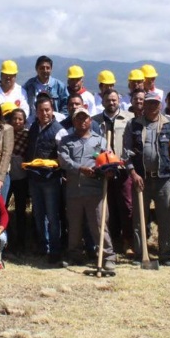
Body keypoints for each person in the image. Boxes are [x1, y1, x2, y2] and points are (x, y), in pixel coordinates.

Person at [124, 91, 170, 266]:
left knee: (165, 219)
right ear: (143, 105)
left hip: (164, 179)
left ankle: (165, 255)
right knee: (139, 219)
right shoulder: (133, 125)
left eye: (155, 103)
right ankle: (140, 255)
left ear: (160, 105)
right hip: (141, 179)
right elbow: (126, 153)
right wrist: (133, 173)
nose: (152, 106)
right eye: (149, 103)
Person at [59, 107, 115, 268]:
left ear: (90, 120)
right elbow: (64, 160)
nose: (82, 121)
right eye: (78, 118)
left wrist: (109, 170)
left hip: (95, 190)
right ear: (73, 121)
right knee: (74, 226)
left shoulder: (101, 141)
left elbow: (109, 161)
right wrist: (80, 168)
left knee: (99, 225)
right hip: (74, 190)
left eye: (84, 118)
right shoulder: (66, 141)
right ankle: (75, 255)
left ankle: (108, 257)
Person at [92, 89, 134, 252]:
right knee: (108, 206)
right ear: (102, 102)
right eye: (108, 100)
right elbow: (93, 146)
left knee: (126, 205)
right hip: (104, 169)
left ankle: (128, 239)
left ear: (119, 101)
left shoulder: (129, 118)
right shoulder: (95, 121)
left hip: (123, 168)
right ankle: (112, 241)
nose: (111, 103)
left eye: (114, 100)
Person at [25, 96, 65, 264]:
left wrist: (53, 164)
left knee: (53, 216)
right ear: (36, 112)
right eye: (41, 110)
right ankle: (43, 245)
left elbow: (63, 157)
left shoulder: (59, 130)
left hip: (51, 179)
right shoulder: (33, 127)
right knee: (38, 215)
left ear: (52, 110)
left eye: (47, 110)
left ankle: (55, 249)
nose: (44, 113)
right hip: (34, 178)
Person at [5, 106, 30, 255]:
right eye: (14, 118)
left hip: (21, 177)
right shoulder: (5, 134)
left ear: (24, 121)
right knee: (3, 208)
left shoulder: (27, 135)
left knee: (20, 210)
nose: (17, 121)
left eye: (20, 119)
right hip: (6, 177)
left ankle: (21, 242)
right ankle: (7, 239)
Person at [22, 56, 68, 124]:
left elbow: (66, 105)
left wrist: (59, 120)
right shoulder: (29, 85)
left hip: (54, 123)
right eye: (42, 68)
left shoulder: (59, 86)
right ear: (36, 69)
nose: (45, 70)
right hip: (32, 123)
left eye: (48, 68)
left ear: (51, 69)